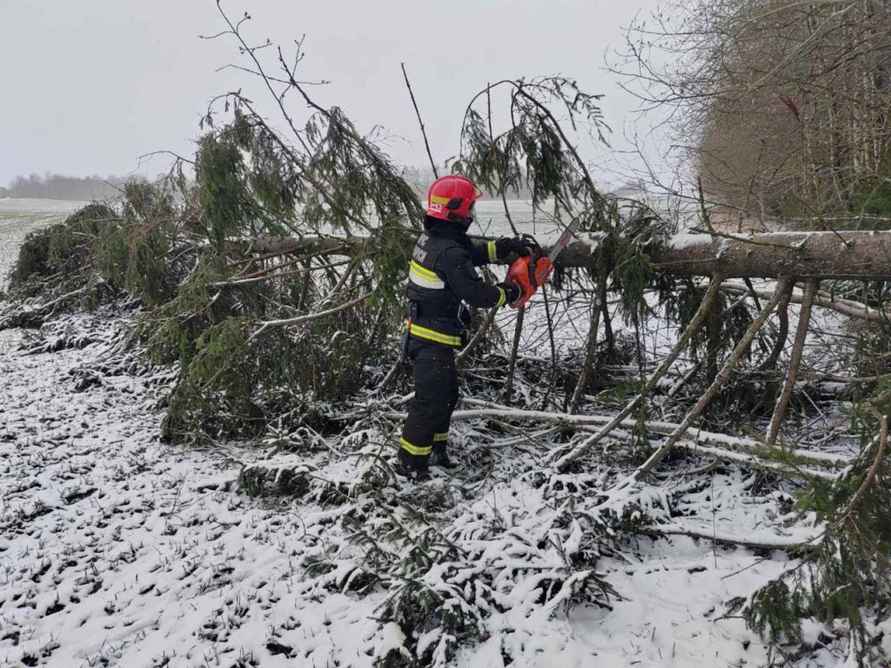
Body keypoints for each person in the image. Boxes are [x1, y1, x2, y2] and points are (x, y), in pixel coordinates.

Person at [397, 175, 534, 481]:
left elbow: (469, 250)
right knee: (429, 401)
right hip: (429, 339)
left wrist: (505, 247)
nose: (472, 213)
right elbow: (476, 293)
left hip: (429, 335)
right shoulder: (448, 252)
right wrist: (509, 293)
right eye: (470, 207)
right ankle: (410, 464)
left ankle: (436, 451)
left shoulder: (436, 239)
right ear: (455, 211)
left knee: (446, 394)